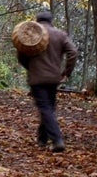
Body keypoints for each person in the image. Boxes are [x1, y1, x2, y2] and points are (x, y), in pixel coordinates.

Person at [18, 9, 78, 153]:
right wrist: (66, 72)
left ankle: (57, 140)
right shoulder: (60, 35)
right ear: (51, 21)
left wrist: (31, 68)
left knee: (45, 108)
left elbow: (21, 56)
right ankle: (42, 138)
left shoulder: (31, 35)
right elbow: (73, 52)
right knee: (48, 108)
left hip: (37, 79)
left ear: (37, 21)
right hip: (54, 78)